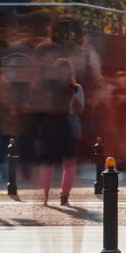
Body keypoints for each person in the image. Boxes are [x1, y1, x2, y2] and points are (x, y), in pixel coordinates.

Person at [30, 57, 79, 206]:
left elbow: (33, 99)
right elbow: (77, 108)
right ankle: (64, 195)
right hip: (64, 125)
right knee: (69, 163)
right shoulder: (72, 87)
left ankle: (44, 195)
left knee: (47, 163)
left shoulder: (44, 84)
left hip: (47, 126)